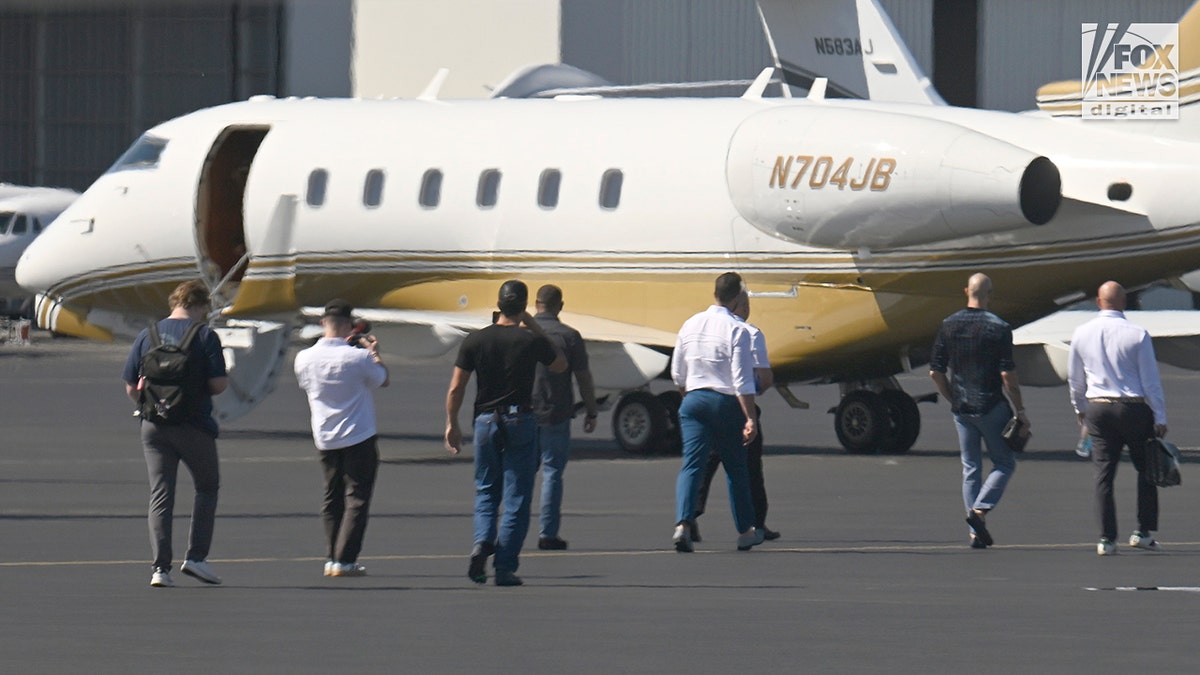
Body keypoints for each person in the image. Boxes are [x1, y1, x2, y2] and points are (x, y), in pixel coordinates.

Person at [445, 280, 566, 586]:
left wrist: (452, 423)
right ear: (523, 306)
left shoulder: (475, 340)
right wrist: (534, 327)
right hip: (520, 418)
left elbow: (456, 387)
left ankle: (481, 542)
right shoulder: (529, 340)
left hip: (485, 420)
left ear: (498, 305)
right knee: (516, 495)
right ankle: (504, 566)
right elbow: (560, 365)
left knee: (486, 490)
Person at [121, 280, 228, 587]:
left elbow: (130, 386)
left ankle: (160, 569)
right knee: (207, 487)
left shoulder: (147, 335)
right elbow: (219, 384)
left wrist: (155, 404)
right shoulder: (205, 335)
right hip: (193, 425)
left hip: (154, 425)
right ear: (200, 305)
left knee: (161, 494)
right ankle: (196, 558)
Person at [1068, 281, 1168, 556]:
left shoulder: (1082, 333)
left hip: (1098, 408)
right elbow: (1151, 381)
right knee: (1146, 469)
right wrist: (1160, 415)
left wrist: (1081, 412)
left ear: (1099, 302)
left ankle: (1106, 539)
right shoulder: (1137, 333)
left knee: (1103, 475)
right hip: (1133, 408)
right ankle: (1142, 531)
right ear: (1123, 302)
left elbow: (1075, 379)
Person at [929, 273, 1027, 549]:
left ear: (966, 291)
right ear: (989, 295)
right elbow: (1007, 373)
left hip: (961, 408)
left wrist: (951, 397)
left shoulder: (948, 324)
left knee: (970, 468)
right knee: (1004, 463)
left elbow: (935, 371)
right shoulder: (998, 327)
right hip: (991, 405)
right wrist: (1020, 409)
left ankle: (975, 532)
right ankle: (980, 511)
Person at [294, 299, 390, 577]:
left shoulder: (304, 358)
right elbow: (382, 378)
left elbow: (306, 384)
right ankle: (345, 559)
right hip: (358, 434)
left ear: (324, 323)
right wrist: (374, 353)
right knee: (357, 497)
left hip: (325, 435)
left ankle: (331, 556)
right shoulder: (357, 357)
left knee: (332, 497)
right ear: (349, 326)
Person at [671, 272, 762, 553]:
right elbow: (742, 379)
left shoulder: (691, 323)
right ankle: (745, 530)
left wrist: (691, 397)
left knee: (692, 465)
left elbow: (677, 373)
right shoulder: (739, 329)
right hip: (725, 402)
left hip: (694, 400)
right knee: (736, 468)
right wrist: (750, 417)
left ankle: (682, 524)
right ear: (737, 298)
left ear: (715, 295)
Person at [693, 291, 778, 543]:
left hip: (710, 403)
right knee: (749, 468)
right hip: (740, 407)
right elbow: (764, 378)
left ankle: (689, 517)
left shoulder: (703, 329)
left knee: (705, 464)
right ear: (739, 306)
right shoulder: (750, 333)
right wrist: (754, 395)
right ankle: (756, 523)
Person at [530, 284, 599, 551]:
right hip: (556, 412)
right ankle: (548, 533)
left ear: (536, 304)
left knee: (520, 474)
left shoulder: (521, 333)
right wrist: (591, 409)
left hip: (523, 412)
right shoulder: (569, 336)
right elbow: (583, 376)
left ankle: (511, 530)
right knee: (552, 473)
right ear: (560, 305)